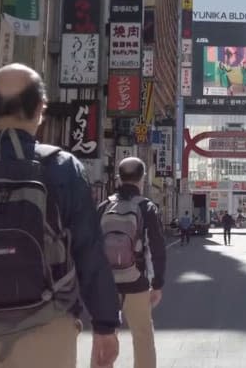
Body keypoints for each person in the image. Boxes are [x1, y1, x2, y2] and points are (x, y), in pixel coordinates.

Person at [0, 63, 120, 368]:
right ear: (41, 107)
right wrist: (105, 325)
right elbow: (89, 252)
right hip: (48, 326)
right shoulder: (63, 167)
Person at [96, 157, 166, 368]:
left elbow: (91, 247)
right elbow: (157, 248)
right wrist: (158, 283)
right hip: (137, 281)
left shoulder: (104, 205)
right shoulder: (146, 207)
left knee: (104, 333)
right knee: (142, 335)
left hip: (107, 283)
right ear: (142, 179)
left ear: (118, 178)